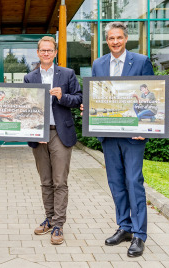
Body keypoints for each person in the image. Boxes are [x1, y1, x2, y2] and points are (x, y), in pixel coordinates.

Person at [91, 21, 154, 257]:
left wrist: (146, 129)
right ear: (106, 41)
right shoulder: (99, 64)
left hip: (133, 134)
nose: (115, 42)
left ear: (126, 39)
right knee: (116, 182)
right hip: (108, 133)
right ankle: (124, 227)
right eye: (110, 38)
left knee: (133, 181)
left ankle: (139, 235)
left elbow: (150, 98)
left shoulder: (140, 62)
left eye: (118, 38)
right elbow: (98, 94)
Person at [24, 36, 82, 245]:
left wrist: (62, 97)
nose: (46, 53)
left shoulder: (67, 74)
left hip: (60, 132)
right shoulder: (30, 77)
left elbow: (79, 98)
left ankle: (58, 224)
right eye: (43, 50)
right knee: (45, 181)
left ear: (55, 53)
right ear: (38, 53)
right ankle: (49, 219)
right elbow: (25, 107)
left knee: (60, 181)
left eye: (50, 50)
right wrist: (33, 131)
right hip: (39, 134)